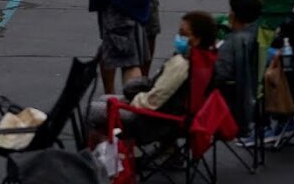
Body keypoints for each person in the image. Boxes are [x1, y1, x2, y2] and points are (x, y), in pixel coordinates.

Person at [88, 11, 216, 143]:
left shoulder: (181, 64)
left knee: (90, 110)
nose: (179, 37)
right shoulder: (204, 61)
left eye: (183, 34)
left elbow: (154, 99)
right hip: (174, 114)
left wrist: (131, 102)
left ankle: (104, 148)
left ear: (197, 39)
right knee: (104, 99)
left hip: (153, 119)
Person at [214, 0, 263, 132]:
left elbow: (219, 74)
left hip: (230, 107)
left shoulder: (232, 44)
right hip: (256, 100)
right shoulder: (259, 38)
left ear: (232, 14)